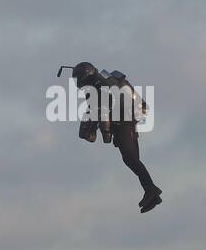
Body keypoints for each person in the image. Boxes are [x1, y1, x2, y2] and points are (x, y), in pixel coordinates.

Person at [67, 62, 162, 213]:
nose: (78, 82)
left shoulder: (97, 87)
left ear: (85, 75)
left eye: (78, 78)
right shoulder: (107, 79)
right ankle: (152, 193)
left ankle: (151, 190)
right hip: (126, 122)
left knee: (131, 159)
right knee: (131, 160)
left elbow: (102, 110)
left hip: (124, 123)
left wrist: (101, 131)